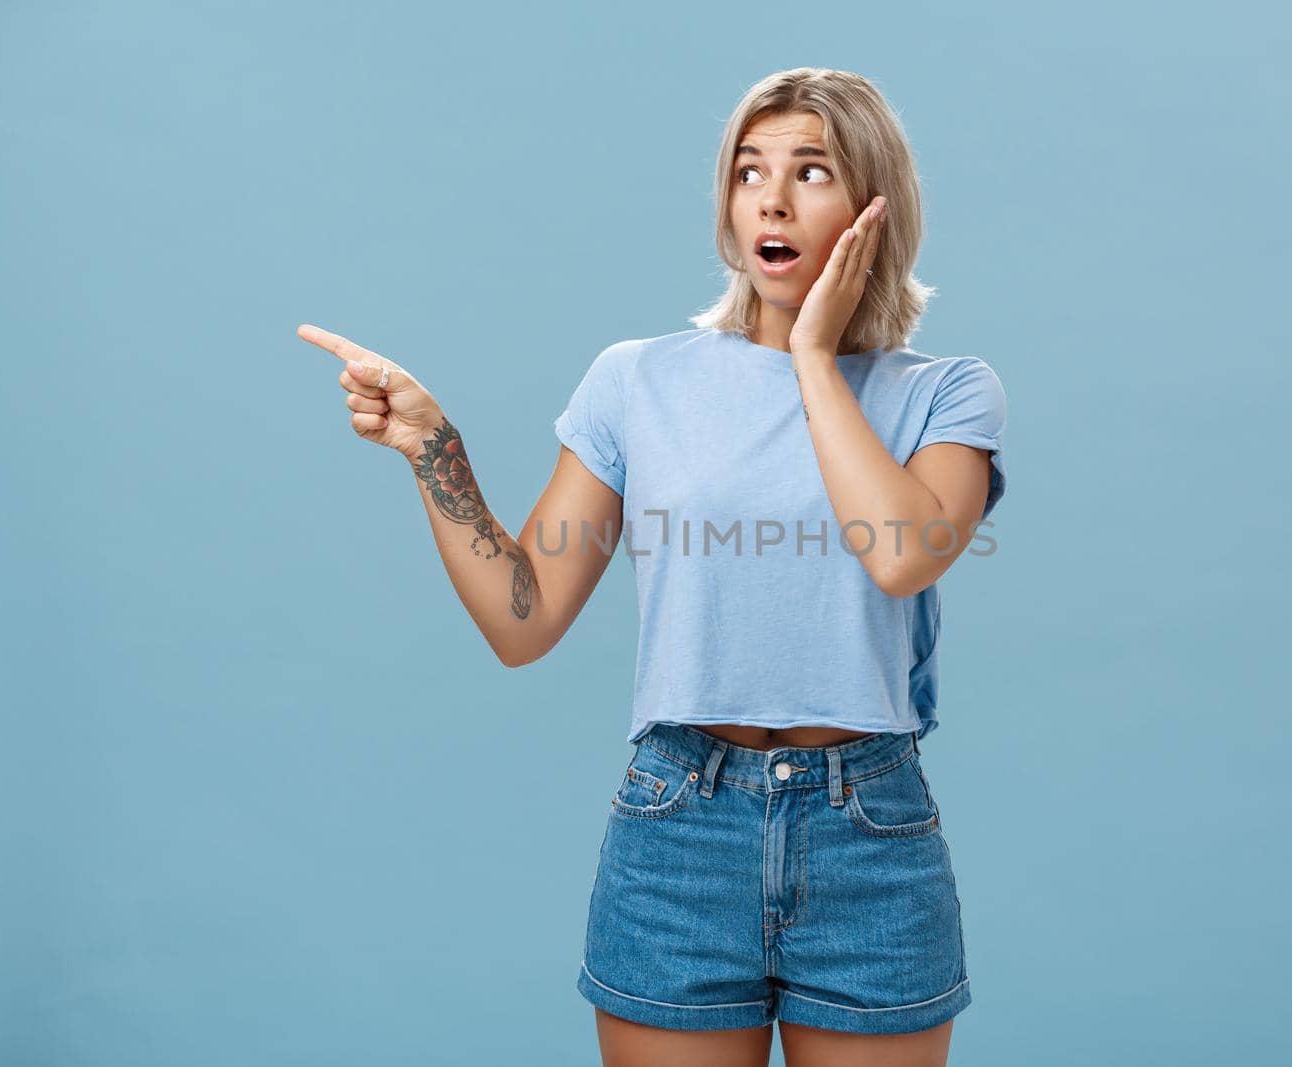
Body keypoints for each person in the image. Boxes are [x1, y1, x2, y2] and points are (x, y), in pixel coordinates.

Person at [299, 66, 1005, 1067]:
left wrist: (810, 358)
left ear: (872, 205)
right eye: (748, 171)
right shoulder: (636, 380)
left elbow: (899, 555)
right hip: (680, 826)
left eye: (810, 171)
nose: (770, 196)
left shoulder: (945, 394)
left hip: (869, 835)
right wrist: (436, 453)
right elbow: (523, 617)